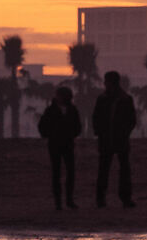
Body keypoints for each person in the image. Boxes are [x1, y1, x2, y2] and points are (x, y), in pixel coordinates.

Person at [91, 71, 138, 209]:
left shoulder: (124, 99)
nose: (105, 84)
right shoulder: (105, 99)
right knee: (106, 170)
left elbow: (131, 120)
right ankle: (102, 199)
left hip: (118, 139)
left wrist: (124, 133)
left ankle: (123, 198)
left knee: (120, 170)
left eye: (106, 81)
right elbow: (96, 117)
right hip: (108, 139)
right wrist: (99, 132)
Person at [38, 84, 83, 210]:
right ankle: (59, 202)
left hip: (67, 144)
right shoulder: (51, 110)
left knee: (69, 172)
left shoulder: (72, 110)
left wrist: (72, 134)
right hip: (55, 144)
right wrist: (49, 135)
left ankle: (69, 200)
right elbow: (43, 126)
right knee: (57, 173)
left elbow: (78, 126)